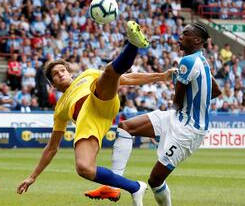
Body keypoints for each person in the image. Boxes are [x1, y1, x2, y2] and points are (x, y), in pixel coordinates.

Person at [17, 21, 176, 206]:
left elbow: (128, 78)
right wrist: (32, 176)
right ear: (52, 84)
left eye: (63, 70)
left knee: (110, 71)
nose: (61, 74)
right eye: (55, 74)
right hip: (89, 125)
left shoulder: (87, 75)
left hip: (100, 101)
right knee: (84, 168)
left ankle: (133, 43)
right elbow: (52, 147)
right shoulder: (60, 108)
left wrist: (162, 76)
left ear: (69, 73)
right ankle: (135, 187)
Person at [85, 23, 222, 206]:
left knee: (155, 180)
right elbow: (217, 91)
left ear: (197, 40)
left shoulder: (187, 62)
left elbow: (178, 101)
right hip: (178, 118)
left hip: (188, 130)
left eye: (185, 34)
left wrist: (169, 126)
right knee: (126, 127)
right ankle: (113, 186)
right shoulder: (202, 61)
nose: (180, 36)